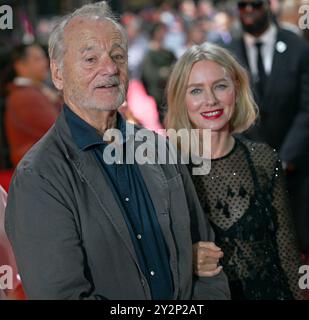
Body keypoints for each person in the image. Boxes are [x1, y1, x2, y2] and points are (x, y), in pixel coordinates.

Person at [4, 2, 230, 300]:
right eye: (90, 58)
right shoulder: (40, 177)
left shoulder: (158, 148)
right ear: (57, 74)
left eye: (117, 56)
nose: (109, 68)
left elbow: (208, 260)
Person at [165, 42, 302, 300]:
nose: (211, 100)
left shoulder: (263, 159)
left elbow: (287, 255)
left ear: (236, 90)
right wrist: (185, 258)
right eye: (196, 90)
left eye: (220, 86)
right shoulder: (166, 169)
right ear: (180, 100)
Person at [228, 0, 309, 261]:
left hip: (298, 170)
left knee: (303, 250)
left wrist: (286, 158)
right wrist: (252, 159)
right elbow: (227, 111)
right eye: (242, 5)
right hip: (249, 170)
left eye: (254, 4)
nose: (247, 10)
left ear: (268, 6)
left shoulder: (299, 49)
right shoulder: (227, 52)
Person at [4, 43, 62, 167]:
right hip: (40, 172)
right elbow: (62, 130)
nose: (45, 63)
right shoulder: (25, 96)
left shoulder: (34, 92)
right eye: (37, 59)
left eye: (44, 57)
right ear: (20, 66)